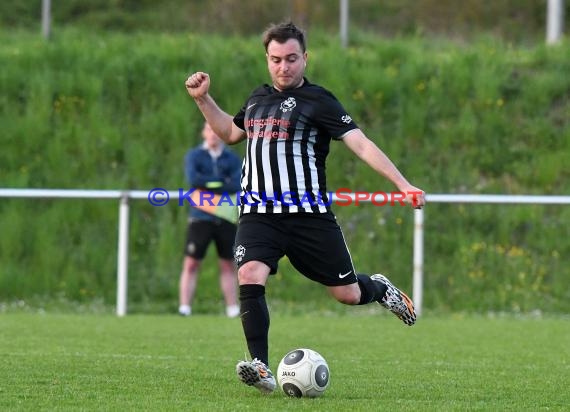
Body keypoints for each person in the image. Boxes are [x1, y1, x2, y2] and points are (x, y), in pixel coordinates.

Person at [184, 22, 426, 394]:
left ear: (305, 58)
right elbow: (230, 134)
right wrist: (203, 99)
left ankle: (379, 289)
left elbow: (361, 144)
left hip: (308, 217)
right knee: (249, 272)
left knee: (347, 293)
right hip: (259, 214)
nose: (284, 67)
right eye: (276, 60)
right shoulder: (256, 100)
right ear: (267, 60)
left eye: (292, 59)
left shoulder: (320, 101)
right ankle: (260, 366)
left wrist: (402, 184)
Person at [178, 122, 242, 318]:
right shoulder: (195, 156)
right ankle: (185, 307)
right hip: (201, 217)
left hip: (225, 217)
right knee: (191, 263)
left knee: (227, 263)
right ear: (203, 132)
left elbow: (237, 183)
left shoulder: (232, 158)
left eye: (217, 131)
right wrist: (221, 184)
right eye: (209, 130)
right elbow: (194, 180)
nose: (213, 135)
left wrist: (209, 185)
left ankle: (232, 308)